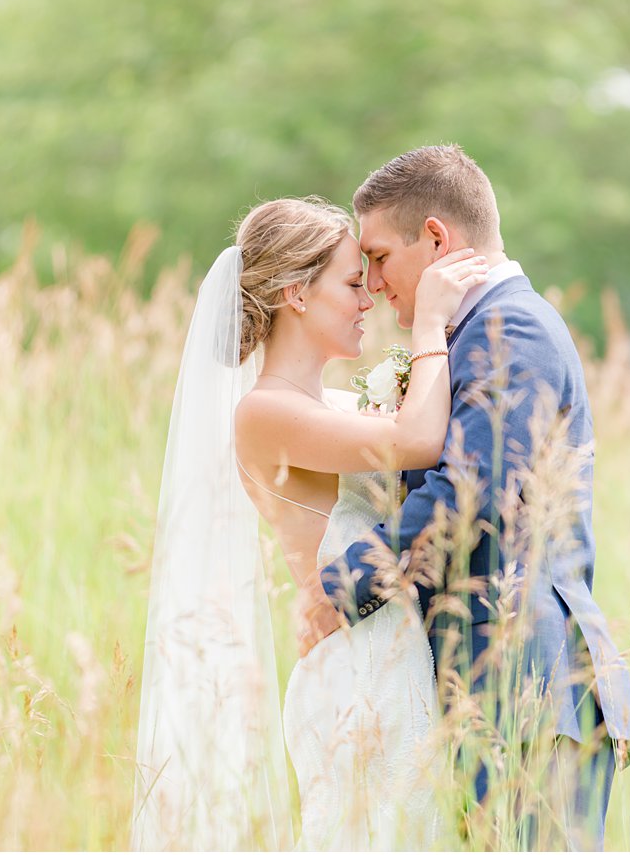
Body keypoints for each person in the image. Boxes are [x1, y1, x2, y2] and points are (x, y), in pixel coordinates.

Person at [309, 145, 630, 851]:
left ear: (436, 238)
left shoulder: (511, 329)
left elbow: (470, 492)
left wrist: (341, 587)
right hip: (489, 691)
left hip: (529, 683)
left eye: (378, 256)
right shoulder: (478, 333)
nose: (371, 283)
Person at [131, 195, 488, 850]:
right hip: (354, 672)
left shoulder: (337, 405)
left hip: (393, 656)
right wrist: (430, 323)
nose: (369, 298)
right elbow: (416, 441)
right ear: (296, 292)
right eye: (353, 283)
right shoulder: (263, 413)